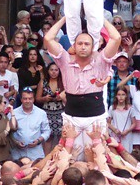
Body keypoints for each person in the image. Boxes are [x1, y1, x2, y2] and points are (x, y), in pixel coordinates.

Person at [44, 16, 121, 155]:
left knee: (98, 157)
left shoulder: (101, 61)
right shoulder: (65, 60)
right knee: (71, 157)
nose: (83, 47)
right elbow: (48, 39)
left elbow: (116, 38)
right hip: (72, 117)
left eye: (87, 44)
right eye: (79, 43)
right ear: (74, 46)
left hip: (95, 117)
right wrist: (65, 18)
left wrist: (99, 17)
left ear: (93, 47)